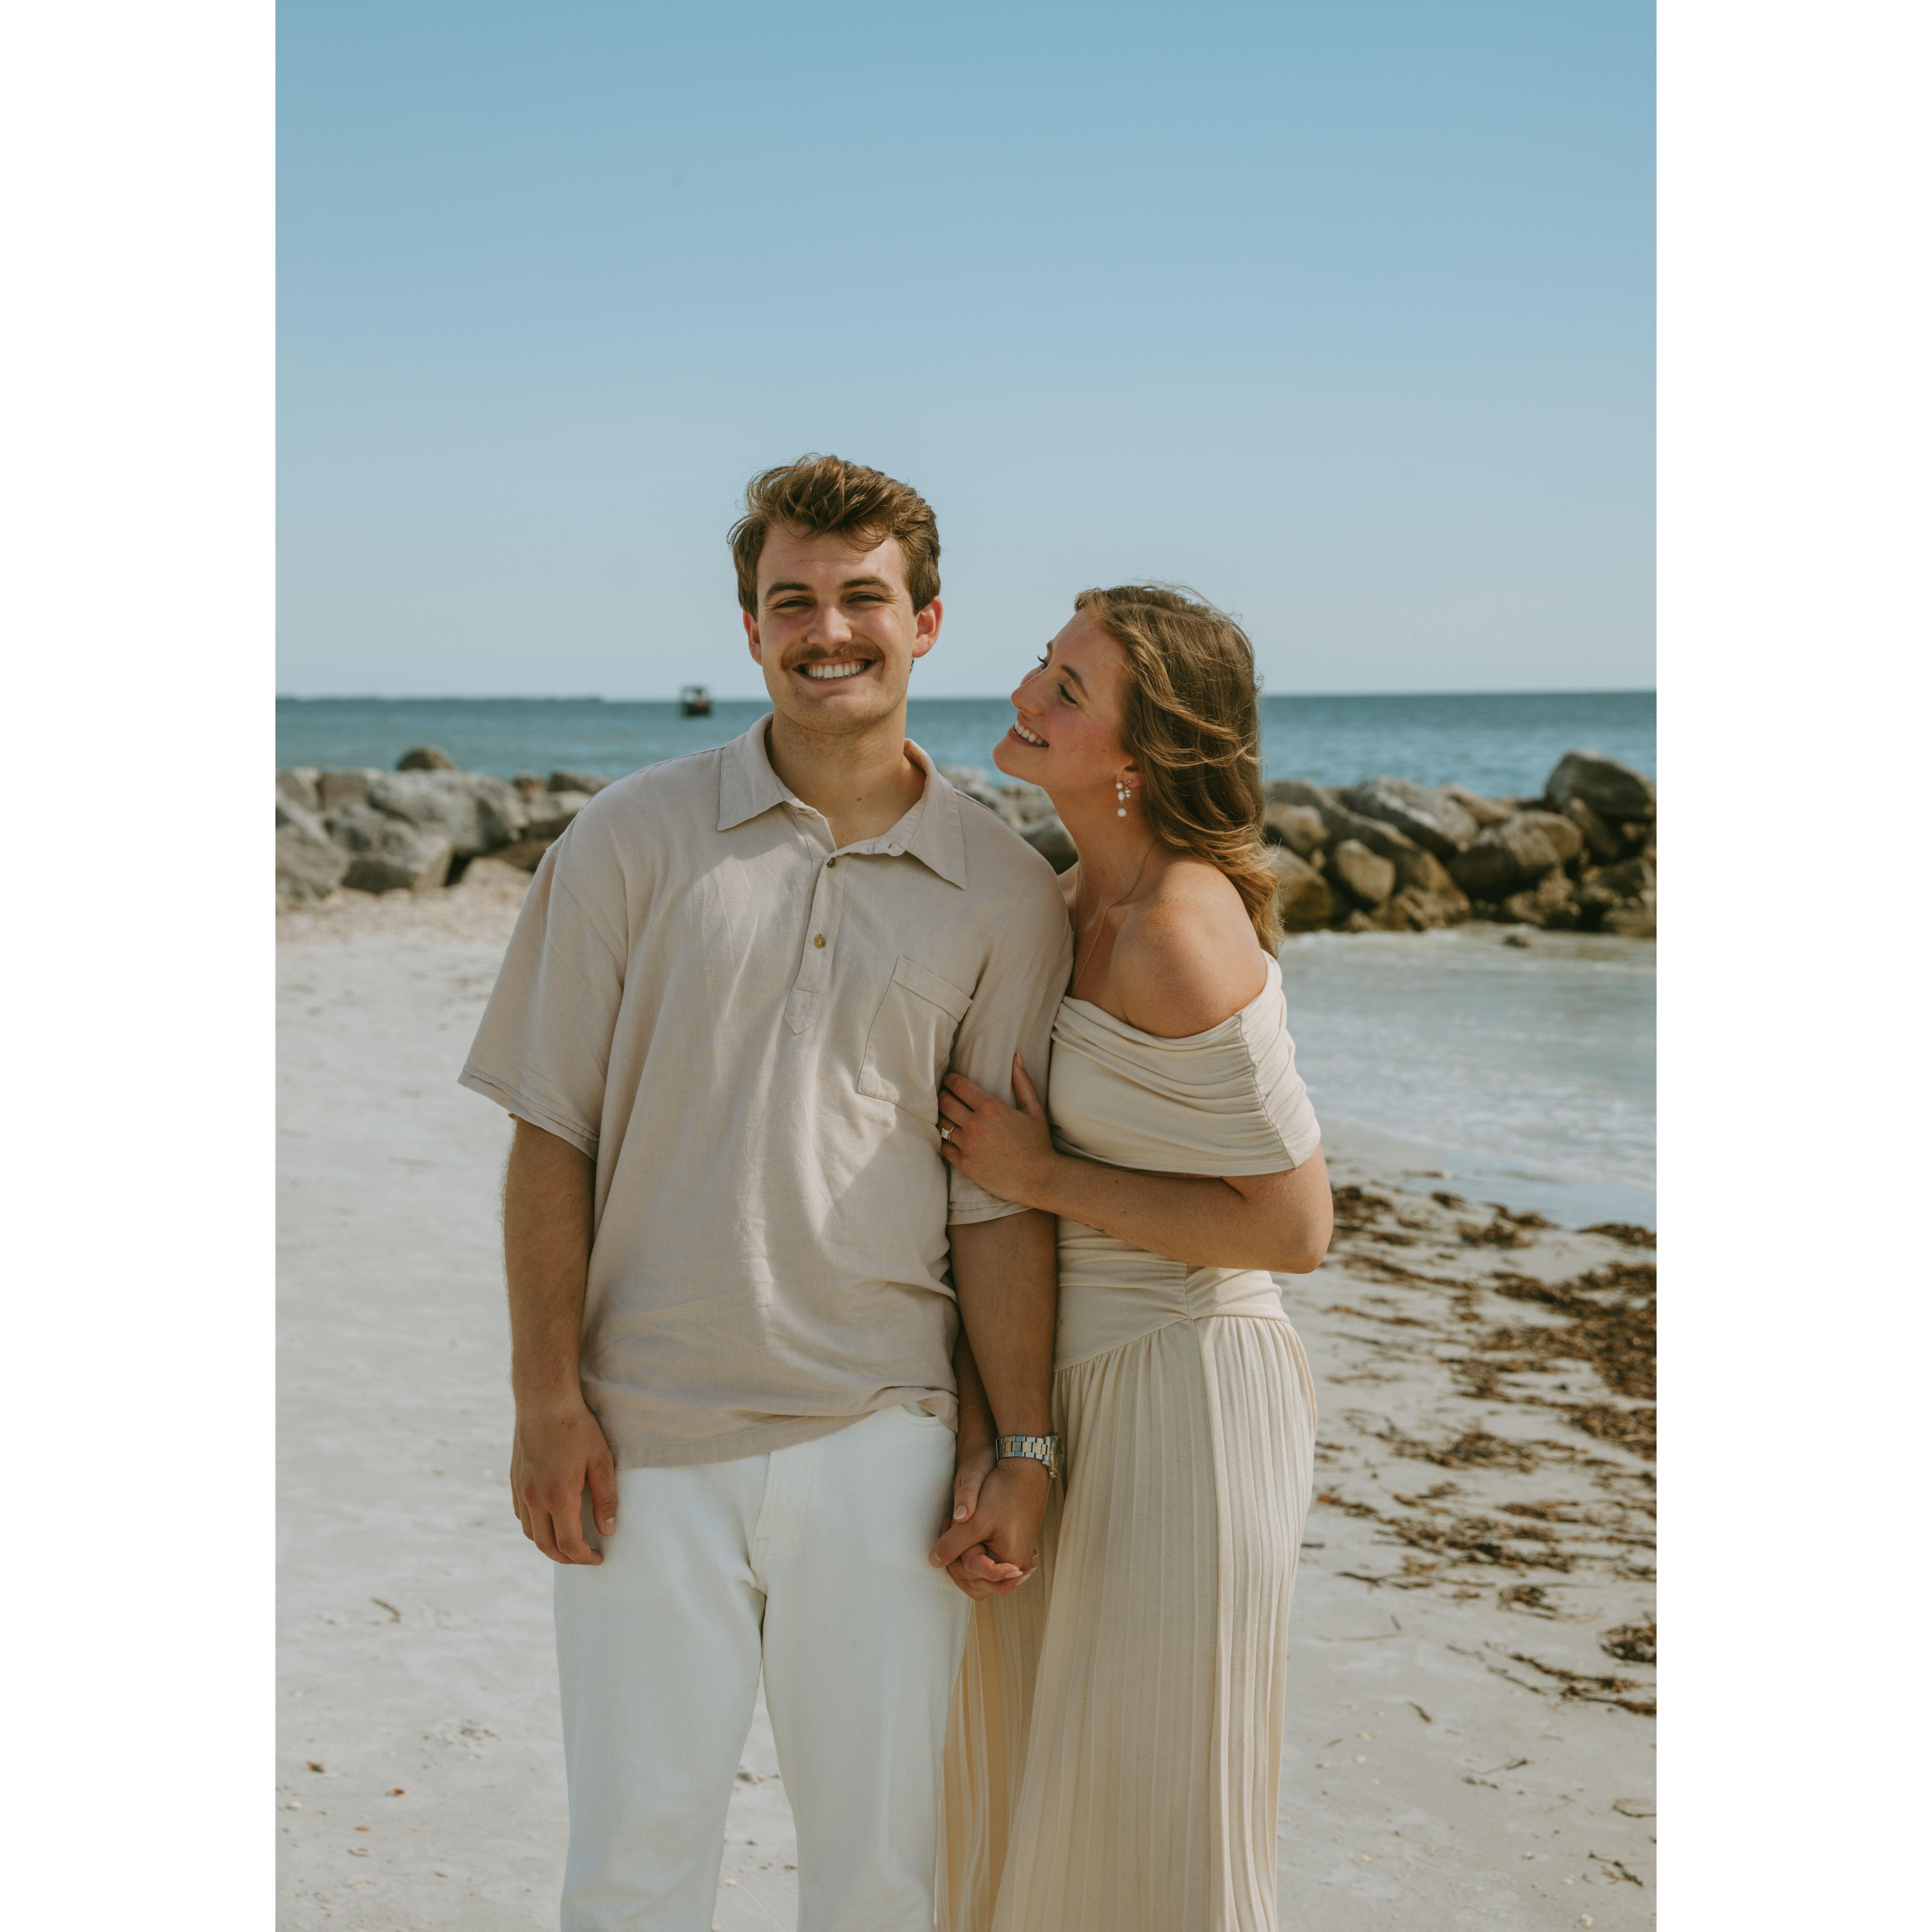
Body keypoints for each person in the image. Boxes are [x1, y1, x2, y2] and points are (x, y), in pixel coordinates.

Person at [459, 454, 1072, 1931]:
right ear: (749, 630)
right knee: (633, 1868)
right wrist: (546, 1399)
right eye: (792, 601)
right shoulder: (629, 839)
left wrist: (1021, 1446)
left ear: (927, 622)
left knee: (884, 1879)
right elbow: (552, 1134)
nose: (828, 631)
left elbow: (996, 1204)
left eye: (864, 597)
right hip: (643, 1438)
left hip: (885, 1447)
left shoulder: (1004, 890)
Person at [931, 584, 1334, 1932]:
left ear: (1144, 757)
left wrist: (1043, 1175)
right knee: (1044, 1798)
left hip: (1186, 1402)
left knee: (1157, 1821)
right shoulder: (1061, 905)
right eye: (1043, 666)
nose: (1025, 698)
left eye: (1068, 690)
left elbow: (1296, 1229)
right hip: (1067, 1395)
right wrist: (1002, 1436)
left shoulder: (1176, 933)